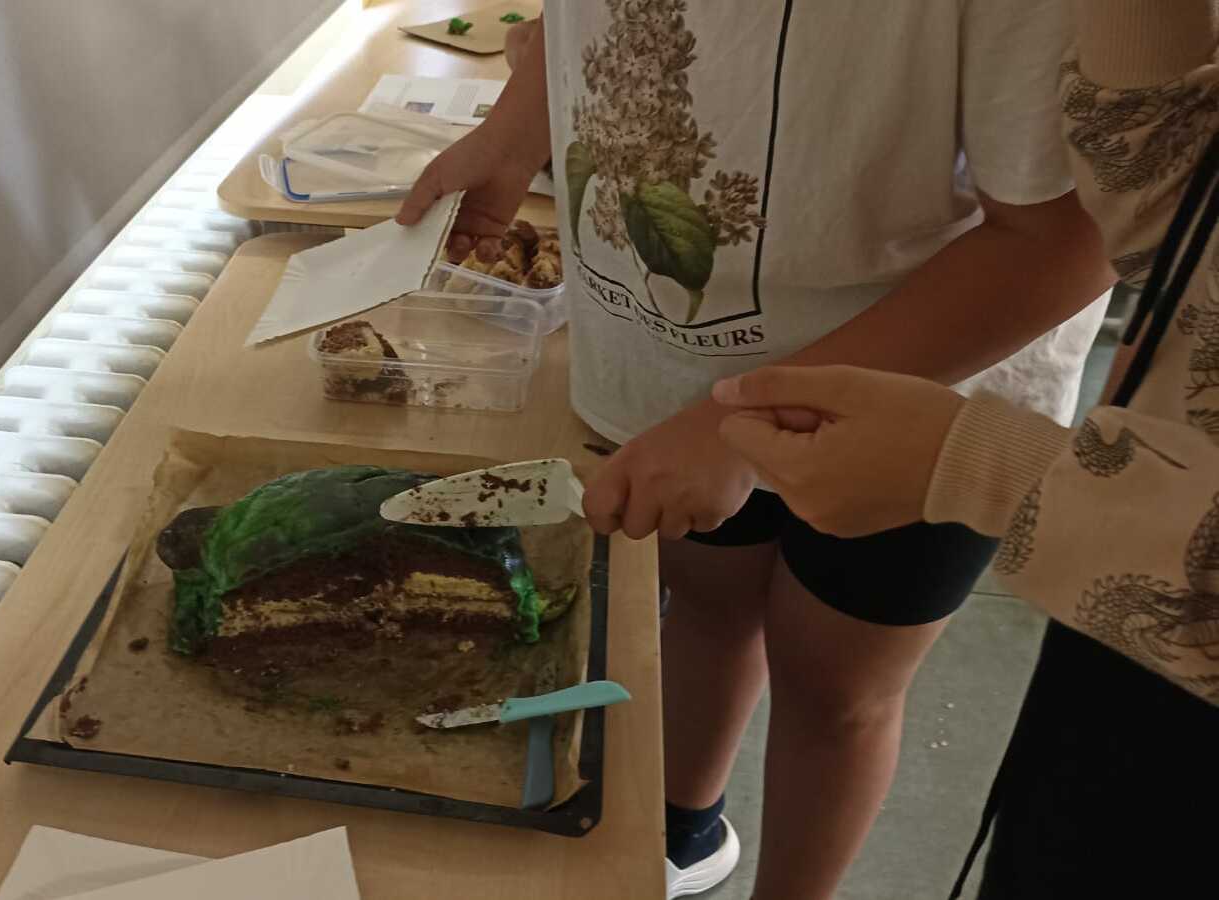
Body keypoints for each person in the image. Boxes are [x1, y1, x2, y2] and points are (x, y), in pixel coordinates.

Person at [397, 2, 1114, 896]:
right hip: (676, 364)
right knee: (708, 606)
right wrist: (512, 135)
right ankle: (682, 834)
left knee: (837, 688)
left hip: (924, 385)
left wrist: (737, 418)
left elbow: (1067, 240)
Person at [709, 2, 1219, 896]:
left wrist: (985, 470)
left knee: (840, 685)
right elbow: (1158, 191)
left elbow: (1070, 239)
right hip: (1130, 660)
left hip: (1154, 617)